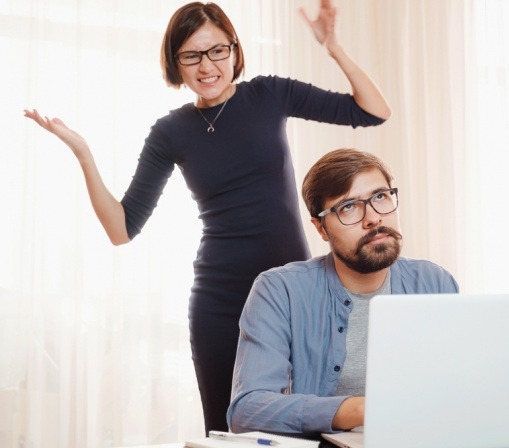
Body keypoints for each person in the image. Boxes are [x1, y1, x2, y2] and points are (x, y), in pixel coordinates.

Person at [23, 1, 391, 434]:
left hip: (292, 291)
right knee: (227, 428)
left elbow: (372, 111)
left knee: (305, 423)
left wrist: (333, 48)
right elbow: (121, 229)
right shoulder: (170, 132)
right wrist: (84, 154)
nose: (207, 65)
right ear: (175, 63)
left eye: (217, 50)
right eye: (191, 55)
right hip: (219, 299)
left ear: (235, 51)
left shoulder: (269, 94)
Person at [227, 148, 459, 435]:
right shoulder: (279, 290)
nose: (373, 218)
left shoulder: (434, 283)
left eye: (380, 197)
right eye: (348, 206)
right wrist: (359, 409)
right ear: (321, 228)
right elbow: (248, 409)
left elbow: (458, 390)